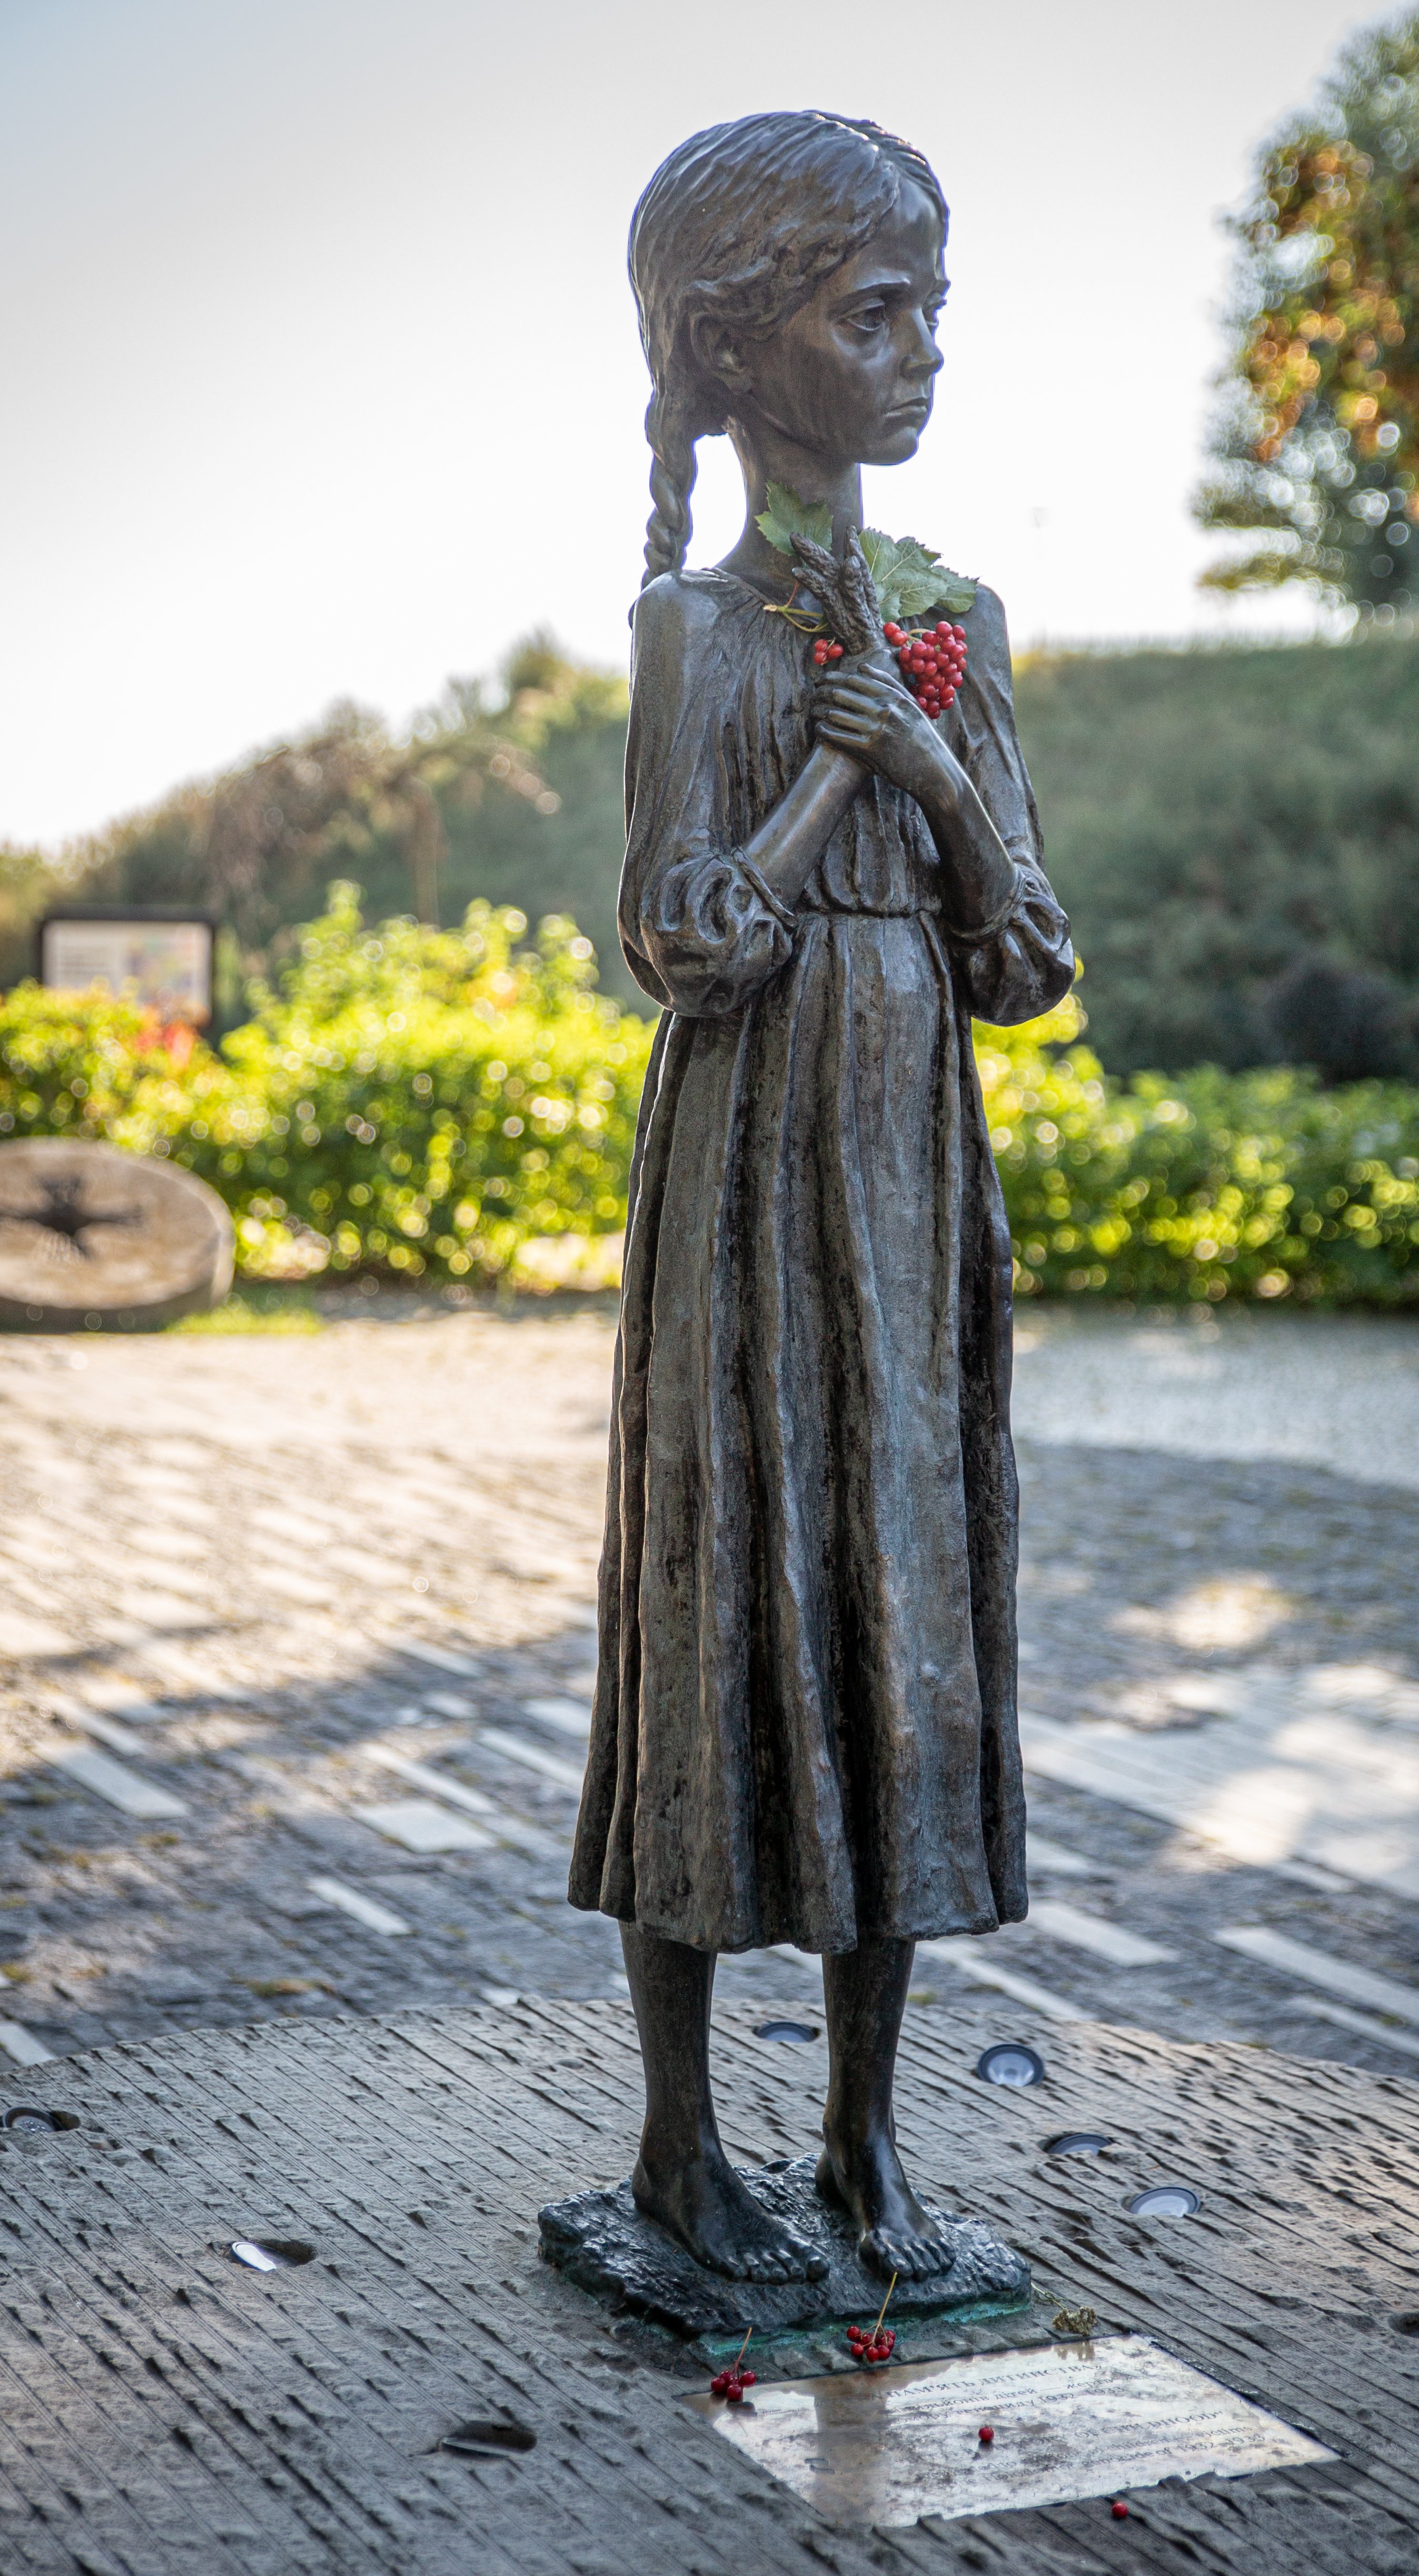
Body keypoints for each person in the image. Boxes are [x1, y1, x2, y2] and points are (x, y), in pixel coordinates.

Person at [569, 108, 1074, 2286]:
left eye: (932, 308)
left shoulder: (956, 622)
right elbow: (679, 941)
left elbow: (1032, 961)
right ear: (735, 347)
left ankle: (874, 2152)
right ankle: (685, 2152)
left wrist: (941, 771)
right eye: (876, 311)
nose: (921, 349)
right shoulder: (697, 628)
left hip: (907, 1187)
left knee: (911, 1632)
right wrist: (827, 790)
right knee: (722, 1614)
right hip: (743, 1189)